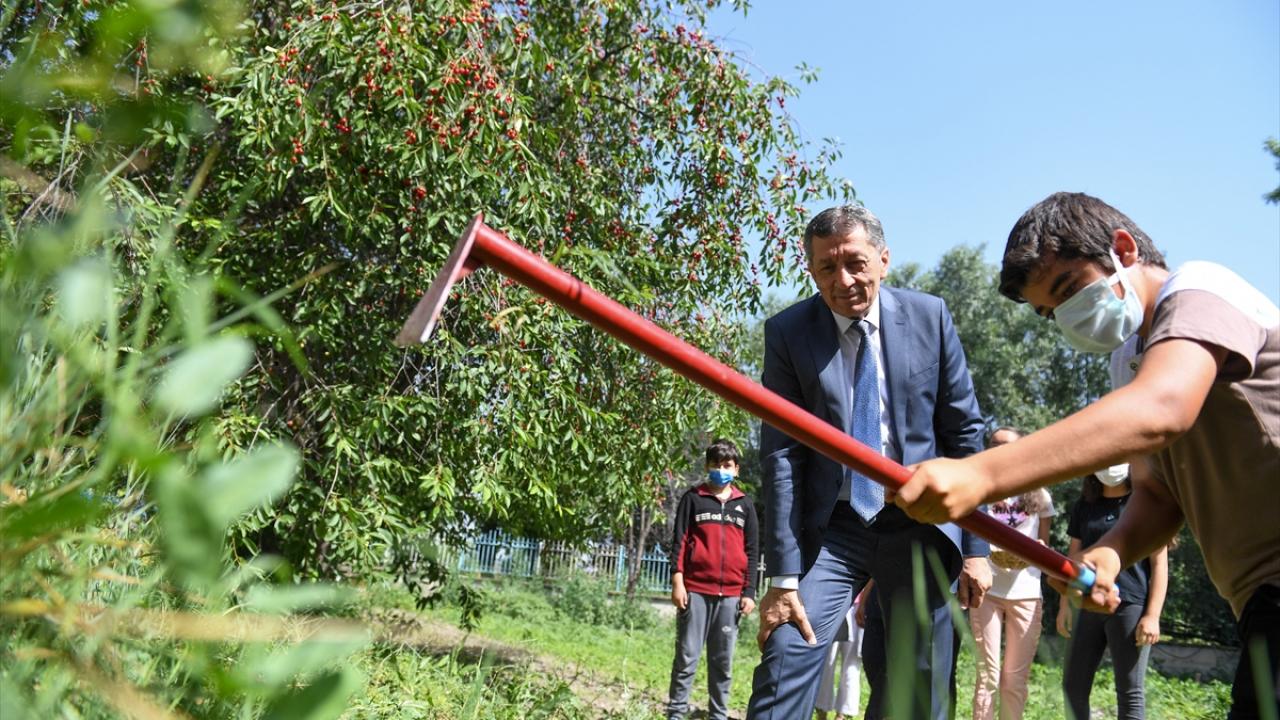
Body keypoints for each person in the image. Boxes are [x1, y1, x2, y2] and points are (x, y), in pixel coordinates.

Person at [892, 191, 1280, 718]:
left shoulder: (1201, 288)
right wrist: (1113, 551)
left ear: (1123, 249)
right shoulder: (1130, 361)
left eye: (1069, 289)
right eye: (1051, 313)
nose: (1067, 317)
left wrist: (979, 474)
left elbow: (1161, 410)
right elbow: (1159, 495)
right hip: (1260, 595)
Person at [747, 204, 993, 720]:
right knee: (787, 647)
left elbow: (964, 433)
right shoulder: (789, 333)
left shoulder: (930, 317)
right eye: (827, 268)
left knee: (919, 685)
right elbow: (782, 455)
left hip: (919, 523)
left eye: (855, 263)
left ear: (883, 260)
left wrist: (976, 548)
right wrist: (784, 578)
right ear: (811, 271)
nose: (843, 280)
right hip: (834, 529)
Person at [1060, 466, 1168, 720]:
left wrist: (1152, 616)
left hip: (1130, 607)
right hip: (1087, 604)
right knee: (1073, 687)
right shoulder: (1084, 506)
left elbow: (1159, 565)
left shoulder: (1143, 505)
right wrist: (1065, 605)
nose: (1110, 466)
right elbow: (1072, 560)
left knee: (1129, 691)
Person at [968, 427, 1057, 720]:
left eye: (1006, 444)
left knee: (1014, 681)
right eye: (993, 443)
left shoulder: (1040, 495)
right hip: (987, 590)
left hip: (1026, 592)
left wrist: (1038, 550)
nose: (998, 449)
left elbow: (1044, 545)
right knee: (988, 676)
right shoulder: (980, 489)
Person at [667, 438, 760, 720]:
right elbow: (679, 541)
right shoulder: (693, 498)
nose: (721, 469)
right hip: (695, 591)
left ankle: (718, 715)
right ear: (707, 466)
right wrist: (678, 581)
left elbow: (752, 551)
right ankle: (676, 713)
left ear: (736, 469)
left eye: (727, 465)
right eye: (716, 464)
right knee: (687, 656)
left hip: (731, 597)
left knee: (722, 661)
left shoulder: (745, 505)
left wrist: (749, 592)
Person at [815, 591, 865, 720]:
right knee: (827, 661)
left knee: (851, 666)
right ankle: (822, 710)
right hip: (836, 601)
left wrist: (864, 603)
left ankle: (842, 714)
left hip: (857, 604)